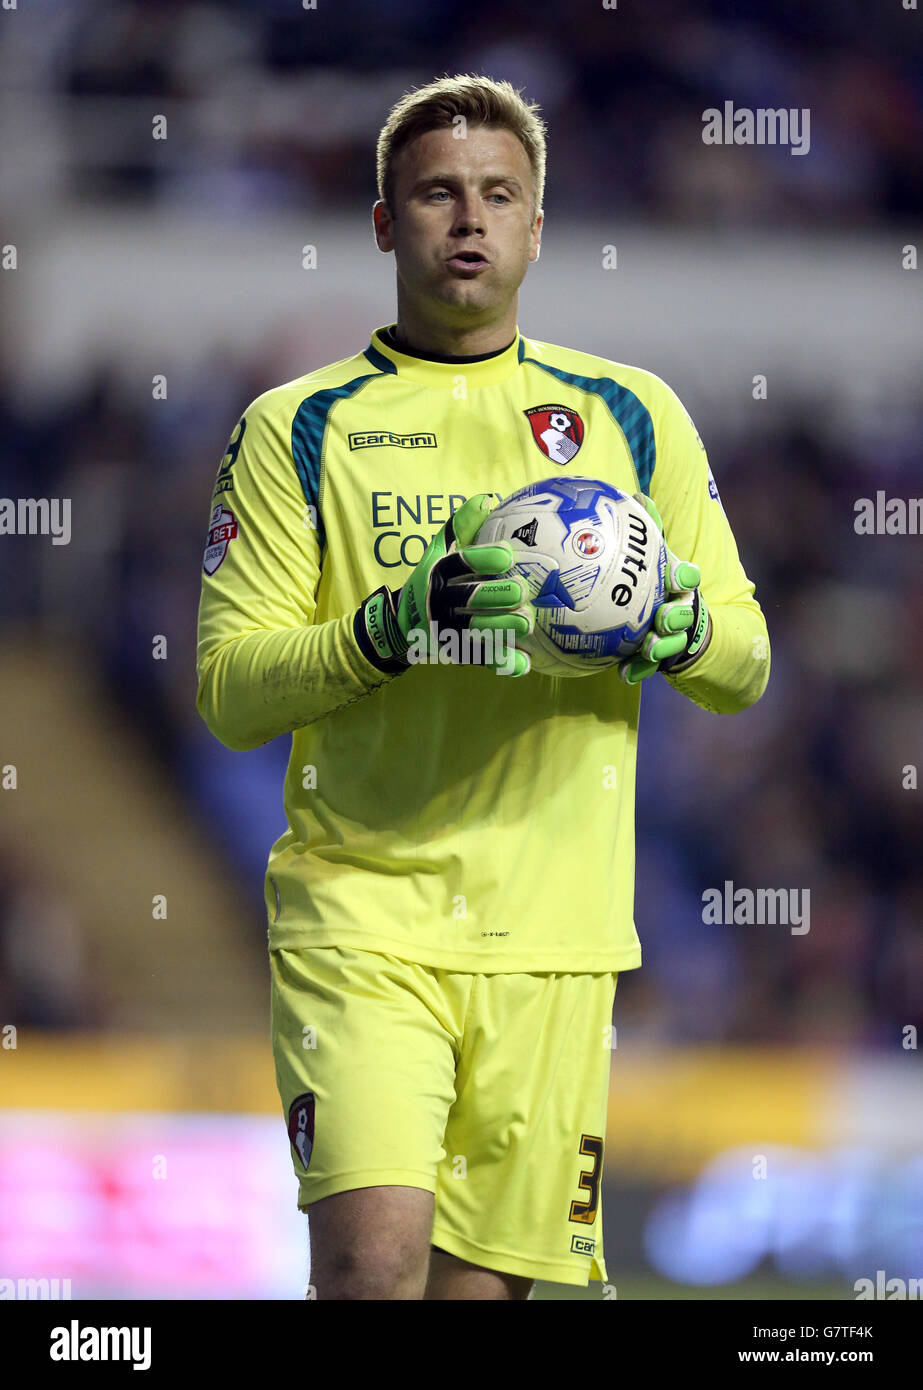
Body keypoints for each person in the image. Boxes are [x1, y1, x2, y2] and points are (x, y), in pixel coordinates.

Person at [195, 74, 770, 1300]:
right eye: (436, 193)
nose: (468, 219)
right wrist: (388, 626)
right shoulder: (301, 428)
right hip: (363, 915)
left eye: (497, 194)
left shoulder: (631, 416)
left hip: (553, 941)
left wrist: (672, 631)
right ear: (382, 223)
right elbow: (232, 691)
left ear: (536, 227)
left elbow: (744, 657)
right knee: (371, 1265)